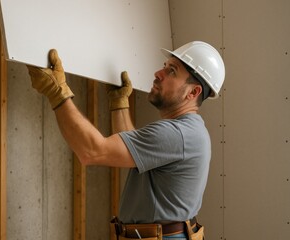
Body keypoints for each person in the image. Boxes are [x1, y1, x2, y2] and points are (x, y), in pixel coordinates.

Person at [27, 41, 225, 240]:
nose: (158, 73)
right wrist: (119, 103)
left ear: (193, 92)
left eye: (172, 71)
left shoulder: (177, 134)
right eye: (165, 66)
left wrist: (56, 91)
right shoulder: (190, 131)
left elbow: (92, 151)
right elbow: (135, 154)